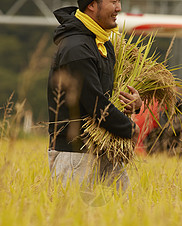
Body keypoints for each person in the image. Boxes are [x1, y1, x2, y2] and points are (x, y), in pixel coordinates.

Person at [47, 0, 142, 192]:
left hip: (104, 150)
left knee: (124, 216)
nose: (119, 7)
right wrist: (130, 128)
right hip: (75, 155)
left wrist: (134, 105)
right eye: (113, 1)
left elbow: (110, 96)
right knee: (75, 218)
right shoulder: (77, 49)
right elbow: (95, 103)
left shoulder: (102, 44)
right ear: (91, 5)